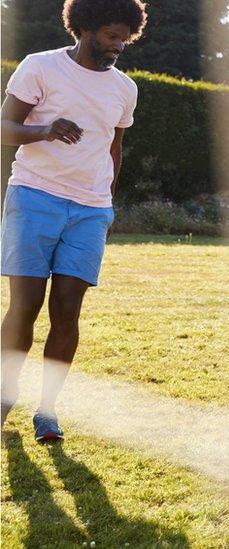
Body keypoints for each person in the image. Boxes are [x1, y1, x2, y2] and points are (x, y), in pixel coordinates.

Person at [0, 0, 147, 442]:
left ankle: (47, 411)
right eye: (110, 35)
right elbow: (5, 127)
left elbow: (113, 147)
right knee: (24, 306)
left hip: (89, 210)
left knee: (67, 310)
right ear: (82, 27)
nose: (118, 45)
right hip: (34, 197)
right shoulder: (39, 67)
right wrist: (44, 130)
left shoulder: (125, 88)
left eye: (124, 37)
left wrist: (107, 201)